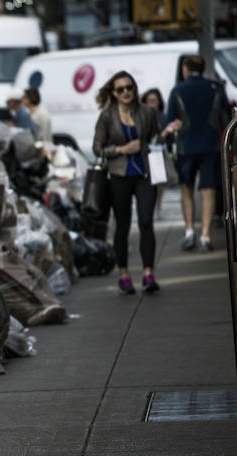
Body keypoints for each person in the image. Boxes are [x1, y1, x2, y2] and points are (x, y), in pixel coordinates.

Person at [93, 70, 160, 295]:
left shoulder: (147, 112)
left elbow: (154, 139)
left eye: (129, 87)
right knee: (122, 226)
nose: (126, 92)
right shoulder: (107, 116)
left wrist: (167, 132)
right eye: (120, 89)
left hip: (144, 175)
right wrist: (121, 149)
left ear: (134, 89)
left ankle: (148, 273)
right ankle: (124, 274)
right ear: (113, 92)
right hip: (118, 176)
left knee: (146, 222)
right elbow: (97, 148)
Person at [162, 55, 232, 253]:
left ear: (185, 68)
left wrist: (168, 148)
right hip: (211, 146)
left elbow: (170, 121)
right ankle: (206, 235)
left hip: (186, 146)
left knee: (186, 189)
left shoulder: (177, 90)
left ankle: (189, 232)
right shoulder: (216, 88)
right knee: (208, 190)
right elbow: (226, 118)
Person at [141, 88, 168, 217]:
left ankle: (158, 207)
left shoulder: (162, 117)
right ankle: (149, 208)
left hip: (157, 153)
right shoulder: (141, 117)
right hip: (144, 153)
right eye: (149, 101)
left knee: (158, 184)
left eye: (154, 101)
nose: (151, 104)